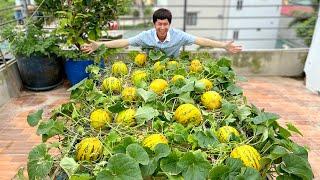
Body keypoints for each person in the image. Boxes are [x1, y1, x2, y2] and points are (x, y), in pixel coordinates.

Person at [81, 8, 242, 57]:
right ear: (154, 24)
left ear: (169, 24)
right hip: (150, 67)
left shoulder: (179, 36)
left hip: (173, 68)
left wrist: (223, 45)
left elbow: (199, 40)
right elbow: (124, 42)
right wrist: (99, 45)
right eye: (160, 24)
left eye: (166, 24)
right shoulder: (146, 36)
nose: (162, 28)